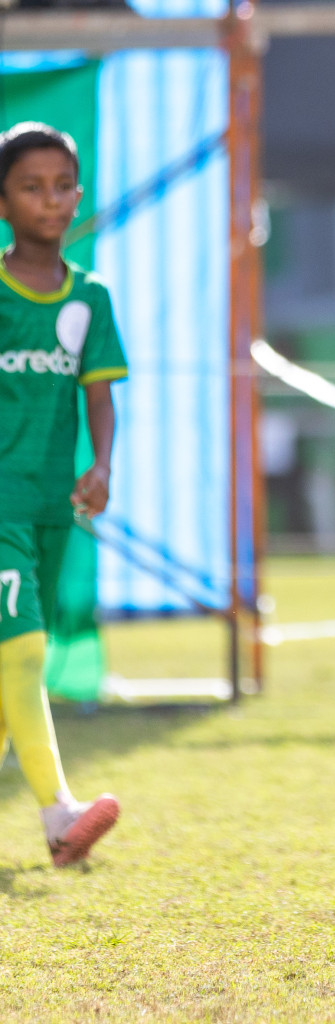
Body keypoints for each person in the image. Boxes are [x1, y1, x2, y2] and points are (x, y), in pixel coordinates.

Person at [0, 122, 125, 867]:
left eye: (63, 186)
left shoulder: (92, 297)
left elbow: (100, 397)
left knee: (12, 661)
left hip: (53, 506)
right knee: (24, 646)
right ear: (3, 202)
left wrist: (102, 465)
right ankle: (59, 816)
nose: (51, 200)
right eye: (31, 187)